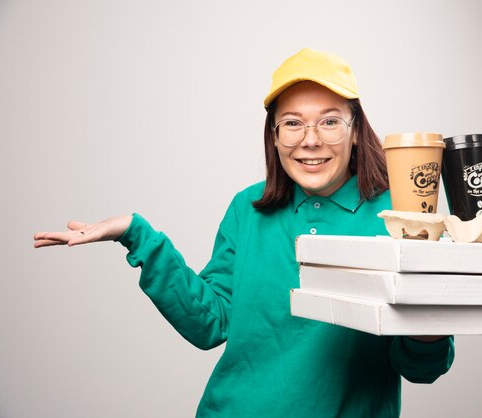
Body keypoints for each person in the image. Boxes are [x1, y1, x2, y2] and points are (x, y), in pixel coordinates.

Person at [34, 48, 455, 417]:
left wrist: (428, 314)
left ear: (356, 130)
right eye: (292, 124)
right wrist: (136, 234)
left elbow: (423, 367)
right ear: (274, 137)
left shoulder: (402, 213)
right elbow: (209, 323)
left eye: (329, 121)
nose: (310, 140)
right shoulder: (247, 208)